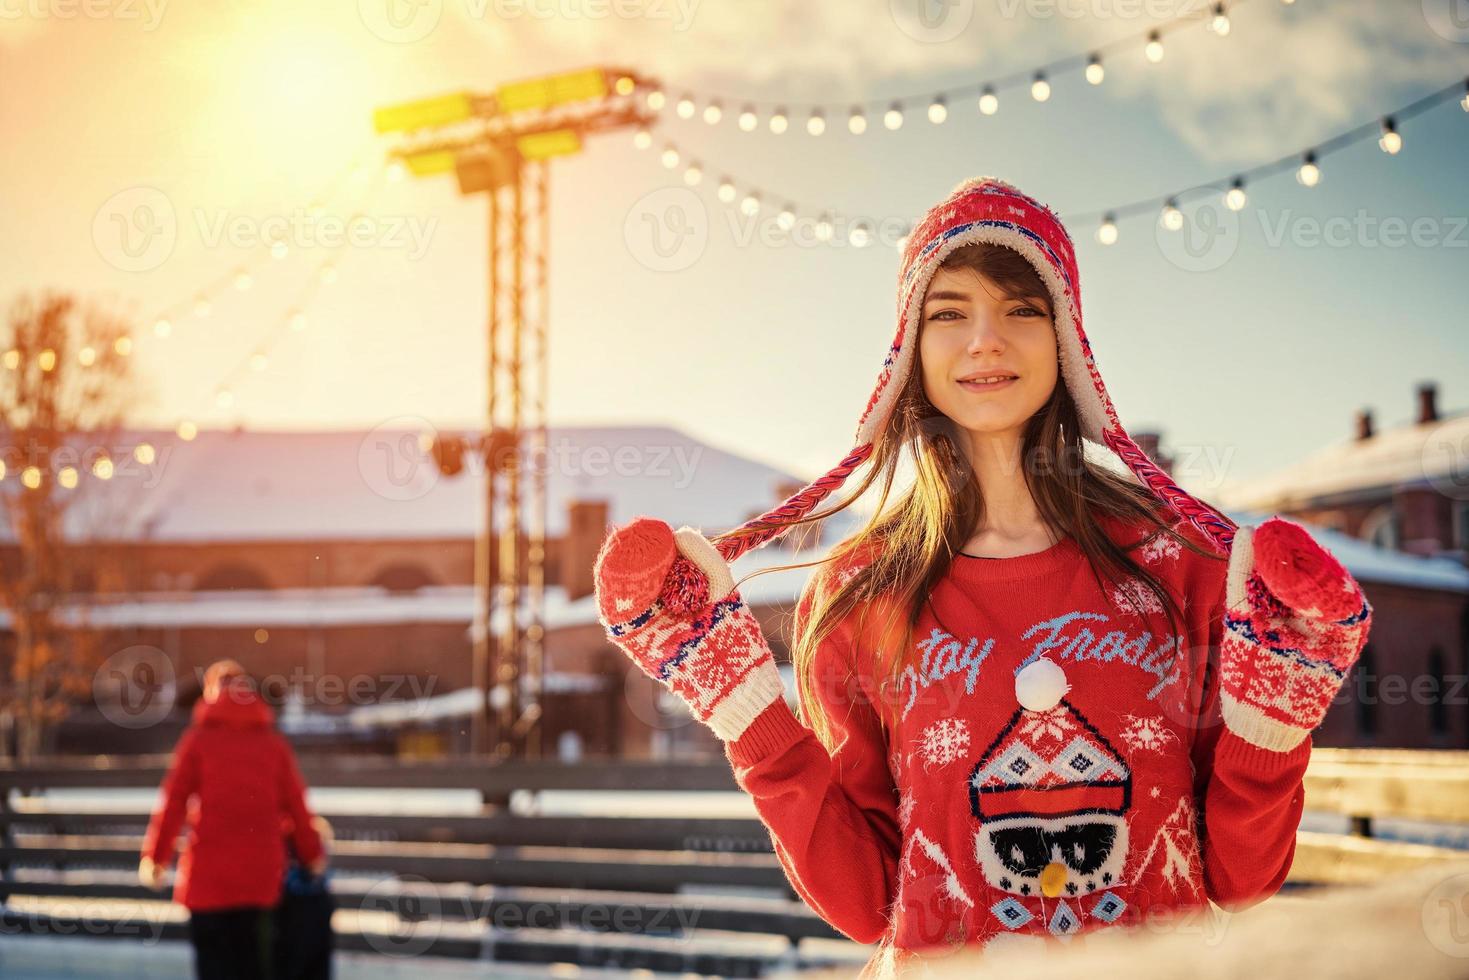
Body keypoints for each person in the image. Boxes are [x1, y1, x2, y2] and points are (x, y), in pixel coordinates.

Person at [591, 177, 1372, 976]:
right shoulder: (860, 590)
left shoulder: (1182, 565)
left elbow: (1241, 884)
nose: (985, 340)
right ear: (908, 349)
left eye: (1021, 310)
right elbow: (865, 905)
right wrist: (749, 715)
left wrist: (1272, 730)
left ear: (1066, 339)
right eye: (949, 312)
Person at [140, 660, 326, 980]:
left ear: (211, 692)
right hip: (261, 877)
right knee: (253, 964)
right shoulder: (272, 744)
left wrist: (156, 857)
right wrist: (312, 855)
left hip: (208, 877)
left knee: (214, 965)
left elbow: (173, 802)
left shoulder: (197, 741)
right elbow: (297, 806)